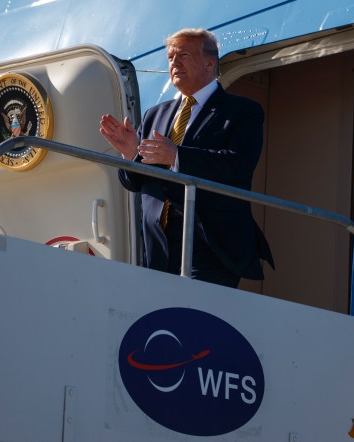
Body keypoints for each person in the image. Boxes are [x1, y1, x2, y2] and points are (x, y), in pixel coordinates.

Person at [100, 28, 273, 288]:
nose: (174, 63)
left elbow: (238, 165)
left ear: (209, 63)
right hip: (156, 244)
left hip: (209, 243)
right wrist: (130, 154)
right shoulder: (153, 115)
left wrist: (177, 155)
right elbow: (134, 183)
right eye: (170, 57)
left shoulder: (242, 112)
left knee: (197, 324)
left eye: (183, 55)